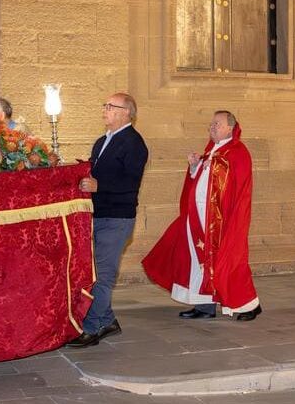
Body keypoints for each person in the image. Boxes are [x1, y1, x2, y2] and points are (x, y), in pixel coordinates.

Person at [143, 111, 261, 321]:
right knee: (198, 261)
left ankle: (249, 305)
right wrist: (195, 166)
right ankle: (204, 305)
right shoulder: (212, 151)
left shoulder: (237, 151)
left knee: (229, 261)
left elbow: (236, 184)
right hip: (199, 216)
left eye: (217, 123)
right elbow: (200, 182)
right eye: (211, 123)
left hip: (221, 220)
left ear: (230, 128)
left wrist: (214, 166)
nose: (212, 126)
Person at [66, 93, 149, 348]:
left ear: (126, 113)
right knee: (93, 272)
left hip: (117, 217)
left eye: (110, 106)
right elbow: (94, 171)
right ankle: (108, 320)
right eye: (104, 105)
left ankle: (92, 328)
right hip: (98, 214)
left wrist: (99, 184)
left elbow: (130, 182)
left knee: (102, 275)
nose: (105, 110)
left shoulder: (134, 143)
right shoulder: (102, 140)